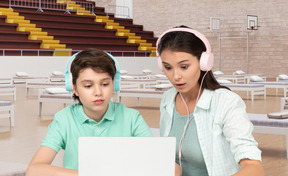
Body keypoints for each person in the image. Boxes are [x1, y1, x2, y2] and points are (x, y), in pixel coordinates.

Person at [26, 48, 153, 176]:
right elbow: (34, 170)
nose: (98, 92)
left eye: (104, 84)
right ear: (74, 89)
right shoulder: (64, 119)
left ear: (114, 85)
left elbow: (155, 161)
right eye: (88, 86)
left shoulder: (132, 118)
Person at [157, 26, 264, 176]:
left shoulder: (226, 102)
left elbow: (254, 168)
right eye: (168, 67)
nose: (176, 76)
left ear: (203, 63)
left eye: (184, 66)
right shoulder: (168, 99)